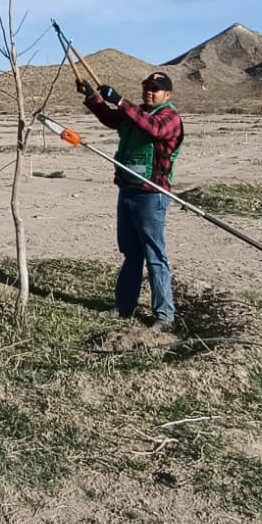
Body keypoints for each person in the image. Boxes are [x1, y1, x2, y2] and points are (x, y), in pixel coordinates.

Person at [78, 71, 185, 332]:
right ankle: (125, 307)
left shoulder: (170, 118)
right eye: (146, 88)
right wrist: (93, 97)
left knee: (155, 256)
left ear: (167, 95)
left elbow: (154, 129)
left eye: (155, 89)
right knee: (131, 253)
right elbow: (113, 119)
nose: (149, 92)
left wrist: (121, 100)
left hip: (152, 196)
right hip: (127, 191)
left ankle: (164, 316)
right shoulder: (137, 112)